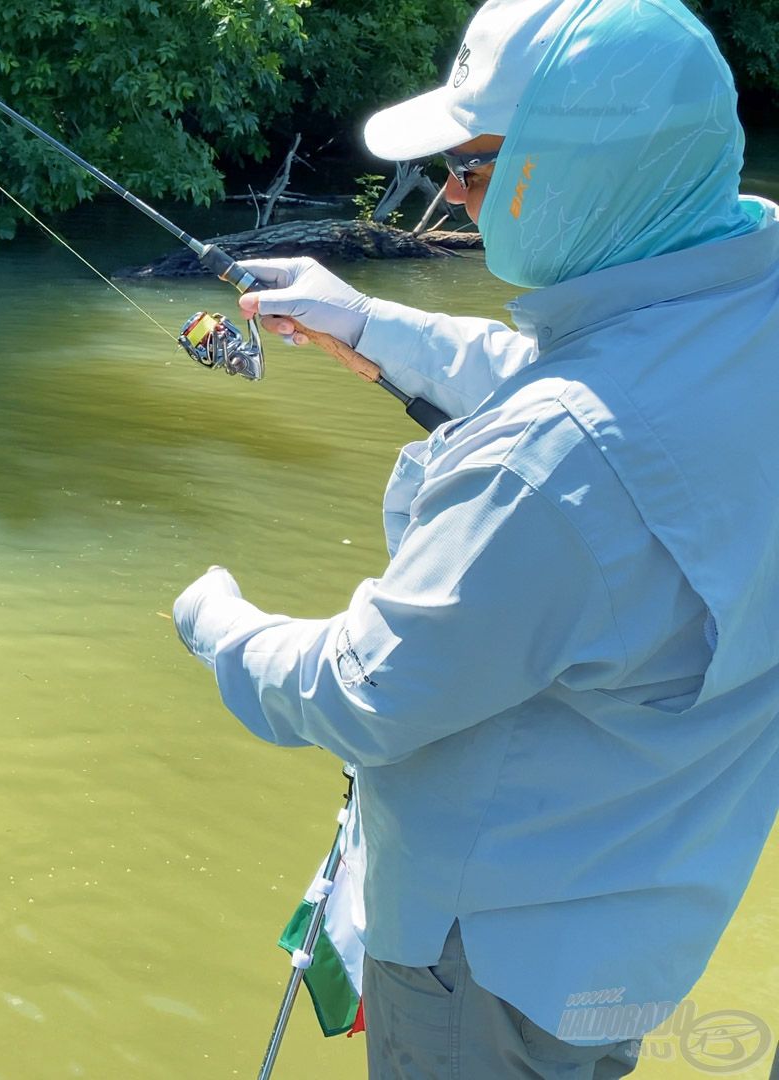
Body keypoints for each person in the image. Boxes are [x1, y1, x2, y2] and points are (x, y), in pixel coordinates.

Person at [169, 0, 779, 1076]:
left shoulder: (551, 464)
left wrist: (221, 629)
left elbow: (367, 689)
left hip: (486, 970)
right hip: (644, 928)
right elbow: (609, 396)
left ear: (582, 171)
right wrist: (367, 321)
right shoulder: (745, 303)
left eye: (475, 166)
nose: (451, 194)